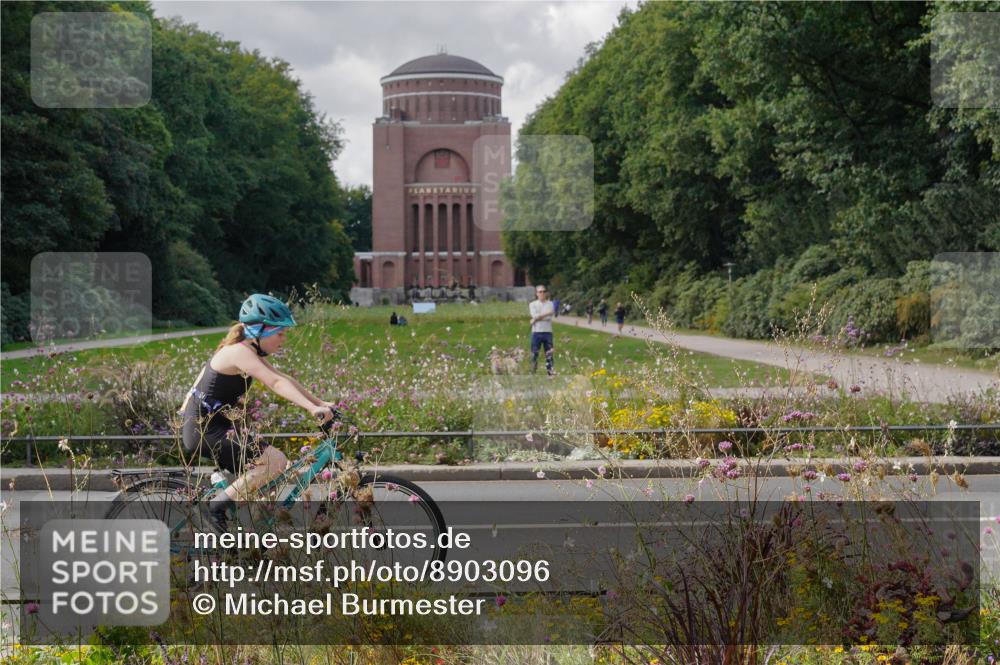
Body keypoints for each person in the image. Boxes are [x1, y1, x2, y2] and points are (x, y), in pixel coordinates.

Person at [180, 294, 335, 532]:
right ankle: (215, 508)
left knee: (270, 476)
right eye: (280, 333)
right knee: (275, 461)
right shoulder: (238, 352)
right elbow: (275, 383)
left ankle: (249, 535)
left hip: (218, 428)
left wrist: (319, 402)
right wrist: (312, 409)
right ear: (259, 331)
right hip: (205, 431)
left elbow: (284, 378)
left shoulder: (246, 350)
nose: (283, 339)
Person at [528, 285, 555, 375]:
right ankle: (533, 372)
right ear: (537, 293)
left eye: (544, 291)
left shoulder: (550, 304)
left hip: (547, 332)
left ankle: (550, 373)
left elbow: (549, 317)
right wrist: (546, 314)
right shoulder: (532, 304)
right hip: (536, 332)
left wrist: (536, 319)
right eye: (540, 292)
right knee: (534, 354)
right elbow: (534, 315)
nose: (542, 293)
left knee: (549, 354)